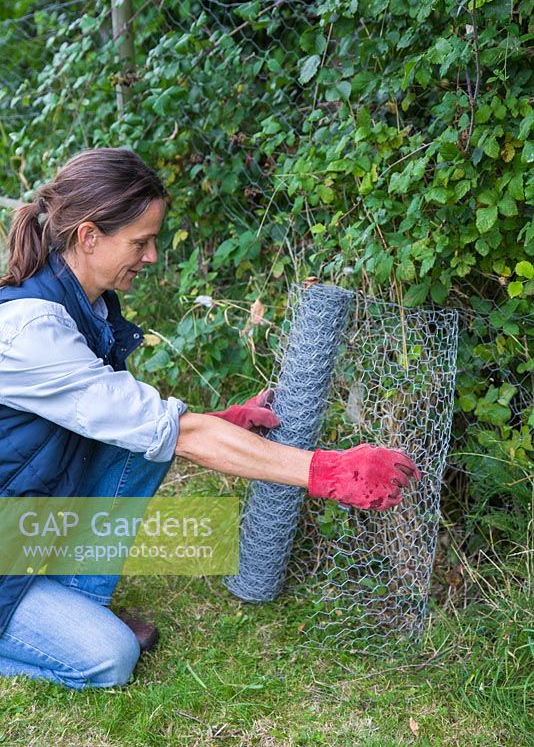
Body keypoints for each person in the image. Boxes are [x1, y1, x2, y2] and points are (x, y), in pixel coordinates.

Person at [0, 148, 420, 689]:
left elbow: (129, 421)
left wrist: (215, 421)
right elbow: (175, 431)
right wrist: (331, 472)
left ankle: (75, 598)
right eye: (140, 242)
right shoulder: (32, 331)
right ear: (88, 236)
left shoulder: (87, 304)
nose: (151, 256)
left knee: (149, 440)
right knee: (108, 658)